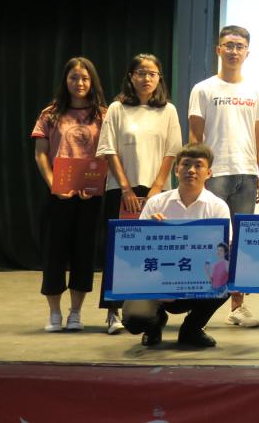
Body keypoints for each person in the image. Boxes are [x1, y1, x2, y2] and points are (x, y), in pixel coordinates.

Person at [188, 25, 259, 328]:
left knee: (241, 242)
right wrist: (199, 173)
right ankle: (201, 301)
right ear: (218, 50)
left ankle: (238, 306)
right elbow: (195, 137)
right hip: (214, 173)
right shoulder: (203, 89)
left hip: (246, 173)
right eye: (228, 45)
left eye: (239, 46)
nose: (234, 51)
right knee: (211, 239)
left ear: (247, 52)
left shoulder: (256, 91)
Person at [95, 53, 182, 334]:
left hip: (157, 192)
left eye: (152, 74)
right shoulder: (117, 109)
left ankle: (152, 311)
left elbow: (172, 151)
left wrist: (157, 188)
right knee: (118, 251)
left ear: (159, 78)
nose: (146, 78)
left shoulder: (168, 110)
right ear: (131, 77)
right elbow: (109, 150)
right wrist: (126, 188)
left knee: (154, 250)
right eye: (141, 73)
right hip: (122, 191)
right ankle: (113, 311)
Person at [122, 143, 231, 348]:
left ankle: (191, 329)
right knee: (135, 319)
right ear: (176, 170)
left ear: (208, 173)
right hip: (156, 278)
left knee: (228, 280)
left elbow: (223, 253)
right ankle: (154, 324)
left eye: (198, 165)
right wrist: (150, 232)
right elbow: (136, 252)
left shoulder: (218, 207)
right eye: (186, 164)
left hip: (198, 279)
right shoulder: (156, 203)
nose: (191, 170)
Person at [31, 57, 107, 333]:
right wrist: (54, 184)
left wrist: (94, 183)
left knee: (83, 252)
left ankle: (76, 312)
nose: (79, 83)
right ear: (65, 80)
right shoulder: (50, 114)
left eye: (85, 78)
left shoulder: (103, 115)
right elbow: (40, 154)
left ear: (92, 81)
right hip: (58, 195)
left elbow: (108, 154)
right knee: (54, 252)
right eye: (74, 77)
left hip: (90, 196)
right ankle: (54, 313)